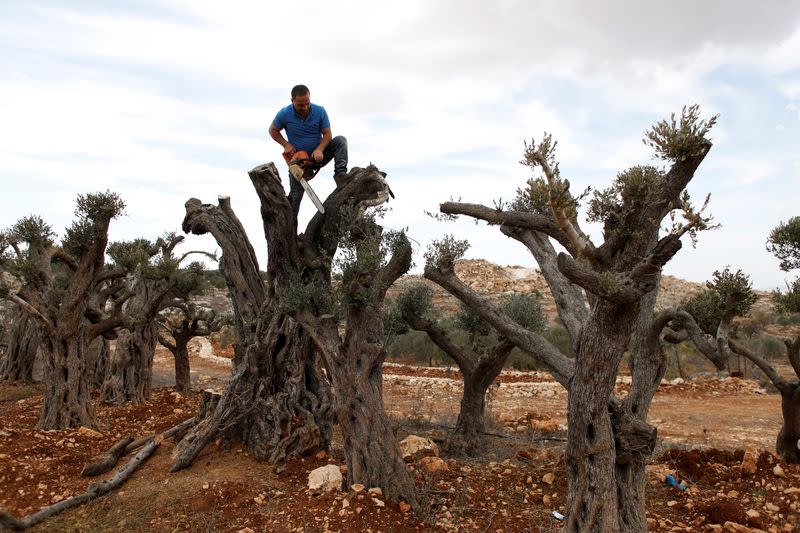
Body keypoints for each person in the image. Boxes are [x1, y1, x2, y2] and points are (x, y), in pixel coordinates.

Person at [268, 84, 348, 219]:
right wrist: (286, 145)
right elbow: (273, 130)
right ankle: (291, 230)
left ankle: (340, 175)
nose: (305, 107)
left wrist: (320, 149)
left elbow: (328, 134)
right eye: (300, 105)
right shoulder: (284, 114)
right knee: (295, 199)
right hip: (298, 162)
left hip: (317, 157)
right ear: (292, 101)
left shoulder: (320, 111)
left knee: (340, 141)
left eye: (307, 103)